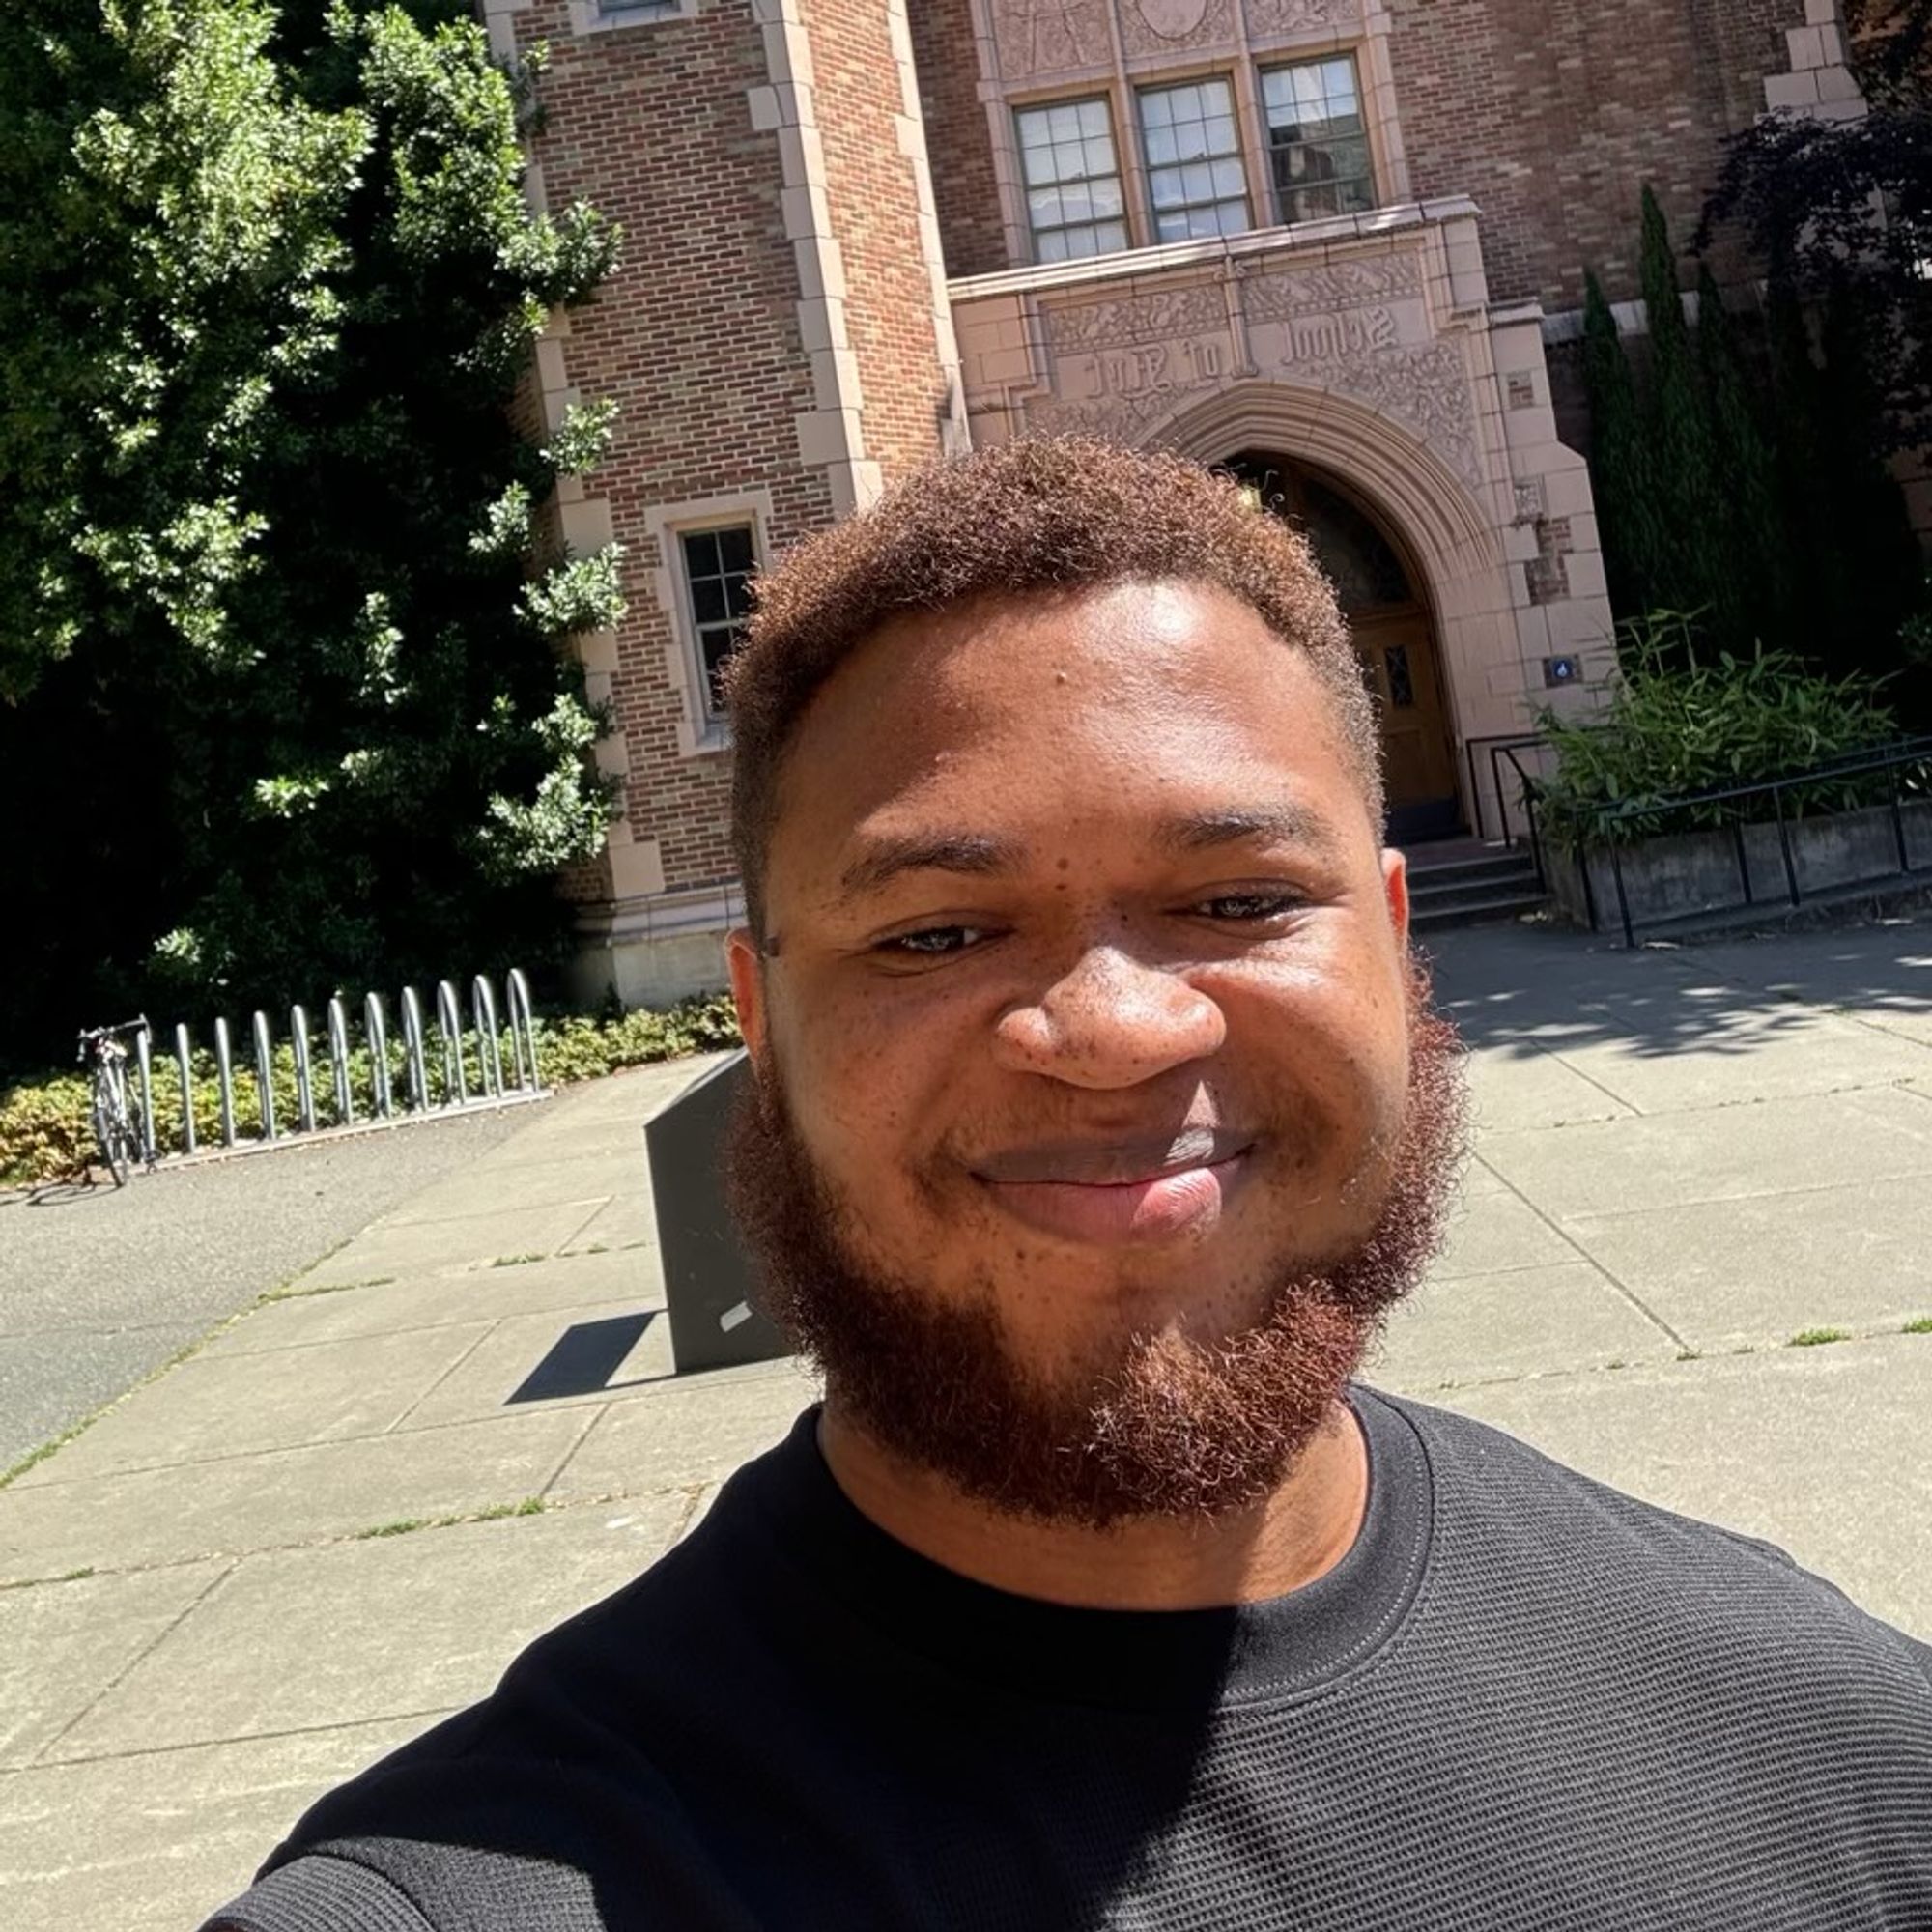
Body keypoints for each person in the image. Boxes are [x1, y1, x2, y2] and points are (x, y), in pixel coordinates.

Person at [206, 440, 1931, 1932]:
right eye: (937, 931)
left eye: (1241, 898)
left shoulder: (1830, 1750)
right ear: (764, 1023)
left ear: (1398, 950)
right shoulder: (487, 1884)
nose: (1109, 1031)